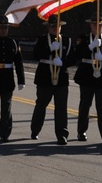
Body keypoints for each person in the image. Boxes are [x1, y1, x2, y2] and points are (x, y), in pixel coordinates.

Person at [73, 16, 102, 146]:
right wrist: (90, 47)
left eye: (100, 25)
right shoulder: (85, 39)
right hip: (87, 75)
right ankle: (81, 131)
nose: (97, 27)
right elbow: (77, 55)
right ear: (90, 26)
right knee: (85, 106)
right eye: (95, 25)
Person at [30, 16, 74, 145]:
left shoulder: (67, 41)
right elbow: (36, 55)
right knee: (41, 105)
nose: (55, 28)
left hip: (61, 78)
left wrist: (62, 62)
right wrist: (50, 49)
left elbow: (73, 59)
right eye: (52, 26)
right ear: (48, 27)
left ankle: (62, 135)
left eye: (57, 26)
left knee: (61, 108)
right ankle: (35, 130)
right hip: (45, 77)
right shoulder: (42, 40)